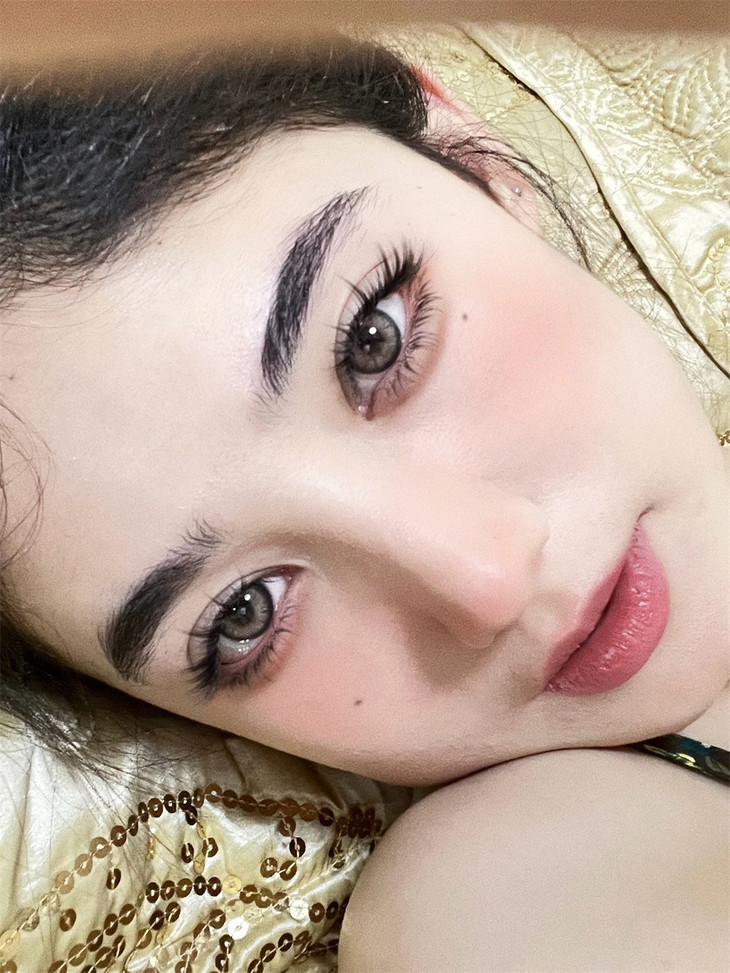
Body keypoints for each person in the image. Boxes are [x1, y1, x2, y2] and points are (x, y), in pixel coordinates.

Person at [1, 26, 728, 973]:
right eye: (245, 611)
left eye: (374, 339)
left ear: (471, 157)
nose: (488, 579)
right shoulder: (517, 901)